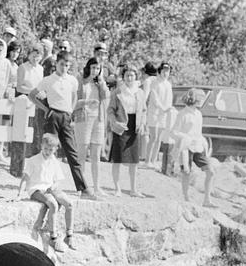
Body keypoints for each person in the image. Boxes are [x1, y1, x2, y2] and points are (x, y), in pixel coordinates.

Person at [29, 50, 89, 196]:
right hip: (53, 115)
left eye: (67, 65)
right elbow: (32, 95)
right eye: (62, 64)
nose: (64, 68)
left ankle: (83, 188)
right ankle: (45, 186)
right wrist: (46, 109)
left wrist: (70, 112)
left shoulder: (73, 80)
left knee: (72, 153)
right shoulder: (48, 80)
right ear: (57, 63)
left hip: (66, 117)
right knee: (49, 150)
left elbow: (74, 97)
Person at [17, 133, 75, 252]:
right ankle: (53, 237)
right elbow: (25, 179)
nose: (47, 152)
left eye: (51, 150)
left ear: (55, 149)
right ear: (41, 146)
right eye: (45, 149)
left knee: (69, 204)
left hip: (50, 188)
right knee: (53, 204)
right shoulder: (33, 160)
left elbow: (58, 180)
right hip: (37, 189)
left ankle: (69, 236)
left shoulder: (54, 161)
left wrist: (54, 186)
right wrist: (19, 194)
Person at [171, 88, 216, 207]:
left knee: (211, 171)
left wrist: (203, 142)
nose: (202, 101)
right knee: (186, 172)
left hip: (198, 146)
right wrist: (185, 138)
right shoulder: (182, 114)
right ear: (194, 99)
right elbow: (174, 132)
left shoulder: (199, 114)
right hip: (186, 147)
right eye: (200, 98)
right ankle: (186, 198)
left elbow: (199, 132)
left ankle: (207, 199)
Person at [107, 64, 146, 197]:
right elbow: (110, 110)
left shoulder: (140, 92)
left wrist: (142, 123)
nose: (129, 78)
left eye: (132, 75)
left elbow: (144, 110)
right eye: (127, 75)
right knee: (117, 159)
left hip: (135, 126)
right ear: (123, 77)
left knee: (134, 161)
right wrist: (114, 122)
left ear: (136, 76)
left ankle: (133, 189)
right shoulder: (117, 92)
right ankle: (117, 189)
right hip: (121, 125)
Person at [74, 56, 109, 197]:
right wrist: (87, 102)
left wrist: (101, 83)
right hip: (83, 118)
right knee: (82, 153)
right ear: (89, 67)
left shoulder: (99, 83)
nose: (95, 70)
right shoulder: (80, 81)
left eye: (98, 68)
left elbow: (106, 96)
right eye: (93, 67)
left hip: (98, 119)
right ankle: (82, 186)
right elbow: (74, 101)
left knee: (96, 155)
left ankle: (96, 186)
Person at [146, 61, 173, 167]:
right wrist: (162, 109)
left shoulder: (168, 84)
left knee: (159, 139)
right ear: (160, 71)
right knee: (153, 137)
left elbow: (169, 100)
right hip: (154, 113)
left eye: (168, 71)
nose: (166, 73)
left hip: (163, 115)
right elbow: (154, 98)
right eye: (164, 70)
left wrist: (167, 110)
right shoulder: (155, 83)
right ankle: (147, 161)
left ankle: (154, 160)